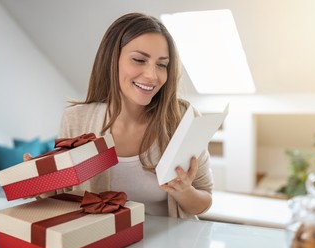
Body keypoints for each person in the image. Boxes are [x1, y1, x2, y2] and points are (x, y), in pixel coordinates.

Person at [51, 13, 213, 219]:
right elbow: (64, 197)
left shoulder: (183, 119)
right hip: (104, 245)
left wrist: (185, 192)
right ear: (112, 59)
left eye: (162, 65)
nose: (152, 75)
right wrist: (43, 187)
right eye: (139, 60)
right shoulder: (76, 119)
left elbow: (204, 201)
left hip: (171, 246)